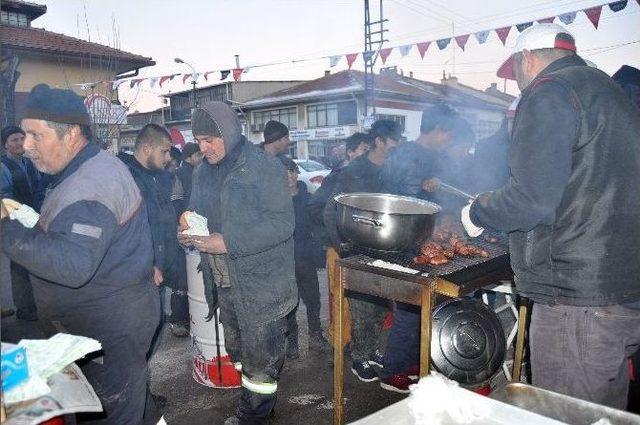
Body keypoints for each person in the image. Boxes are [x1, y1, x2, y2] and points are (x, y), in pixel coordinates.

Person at [461, 24, 640, 409]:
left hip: (575, 294)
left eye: (517, 74)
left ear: (527, 59)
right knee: (604, 412)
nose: (521, 84)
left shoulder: (549, 91)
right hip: (621, 287)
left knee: (566, 412)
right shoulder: (612, 93)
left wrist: (478, 210)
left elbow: (532, 199)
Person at [0, 84, 160, 423]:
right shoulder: (82, 170)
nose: (26, 146)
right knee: (134, 404)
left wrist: (6, 228)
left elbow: (73, 265)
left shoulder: (92, 184)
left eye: (35, 136)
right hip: (101, 324)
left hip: (107, 334)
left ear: (71, 134)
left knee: (113, 413)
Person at [177, 101, 297, 425]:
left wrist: (229, 241)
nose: (203, 148)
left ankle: (253, 418)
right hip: (223, 281)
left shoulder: (264, 168)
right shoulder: (201, 171)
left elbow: (282, 224)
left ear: (229, 133)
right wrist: (187, 229)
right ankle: (258, 407)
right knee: (239, 352)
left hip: (262, 284)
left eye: (209, 140)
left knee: (261, 364)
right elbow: (195, 212)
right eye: (198, 140)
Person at [376, 105, 461, 393]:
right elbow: (409, 203)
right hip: (404, 242)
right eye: (449, 134)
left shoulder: (431, 156)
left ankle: (413, 361)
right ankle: (393, 371)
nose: (449, 140)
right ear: (438, 130)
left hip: (420, 239)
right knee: (411, 305)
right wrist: (429, 192)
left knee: (426, 305)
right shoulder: (410, 156)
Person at [323, 119, 401, 383]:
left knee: (380, 305)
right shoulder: (353, 171)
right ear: (379, 141)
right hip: (356, 249)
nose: (397, 146)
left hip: (384, 249)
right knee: (362, 307)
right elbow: (330, 211)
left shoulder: (390, 170)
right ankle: (358, 358)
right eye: (394, 140)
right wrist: (343, 247)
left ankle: (372, 351)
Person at [120, 124, 189, 340]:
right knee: (137, 334)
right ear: (147, 148)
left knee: (153, 330)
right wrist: (146, 263)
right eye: (165, 151)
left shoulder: (162, 177)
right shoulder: (124, 177)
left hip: (162, 262)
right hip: (138, 271)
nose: (169, 157)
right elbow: (124, 230)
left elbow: (162, 218)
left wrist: (179, 230)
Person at [277, 155, 329, 359]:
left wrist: (320, 250)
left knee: (313, 300)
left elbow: (319, 224)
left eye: (291, 171)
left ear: (296, 174)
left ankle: (316, 336)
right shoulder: (276, 201)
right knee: (289, 303)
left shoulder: (309, 198)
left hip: (306, 258)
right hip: (284, 260)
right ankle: (292, 341)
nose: (288, 176)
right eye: (283, 173)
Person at [1, 125, 41, 321]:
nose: (18, 143)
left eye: (20, 139)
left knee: (33, 262)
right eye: (13, 140)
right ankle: (24, 309)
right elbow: (5, 198)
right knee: (19, 265)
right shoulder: (3, 167)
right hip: (15, 222)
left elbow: (39, 189)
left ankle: (34, 304)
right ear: (5, 145)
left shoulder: (29, 163)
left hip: (33, 221)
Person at [176, 142, 203, 207]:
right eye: (198, 155)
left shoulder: (198, 170)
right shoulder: (180, 173)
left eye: (201, 155)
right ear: (187, 158)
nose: (201, 158)